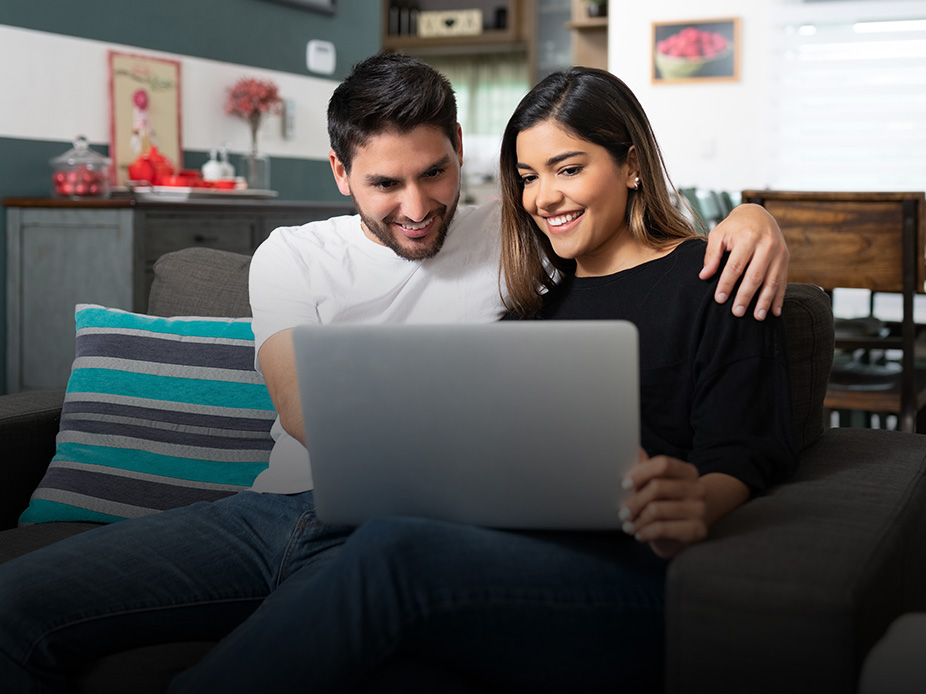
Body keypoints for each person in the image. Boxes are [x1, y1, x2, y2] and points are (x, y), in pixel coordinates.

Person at [0, 54, 789, 692]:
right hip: (295, 512)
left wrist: (757, 216)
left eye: (436, 174)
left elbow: (741, 447)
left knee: (396, 548)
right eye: (528, 175)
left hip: (469, 543)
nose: (417, 205)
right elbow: (309, 412)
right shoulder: (520, 265)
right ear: (342, 175)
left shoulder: (570, 257)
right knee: (18, 604)